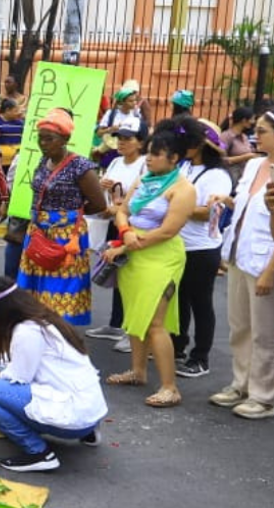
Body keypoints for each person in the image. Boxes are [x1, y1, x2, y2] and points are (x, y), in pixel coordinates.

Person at [0, 277, 108, 473]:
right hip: (90, 413)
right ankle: (88, 433)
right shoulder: (44, 319)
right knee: (1, 413)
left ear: (4, 309)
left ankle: (39, 453)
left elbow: (16, 377)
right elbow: (12, 361)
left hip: (73, 416)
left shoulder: (26, 331)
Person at [103, 128, 196, 408]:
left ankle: (170, 387)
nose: (150, 158)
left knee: (155, 322)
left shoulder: (184, 189)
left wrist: (125, 245)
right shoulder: (145, 179)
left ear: (174, 158)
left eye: (157, 154)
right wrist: (125, 232)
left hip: (161, 256)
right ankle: (138, 371)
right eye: (149, 152)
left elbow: (167, 231)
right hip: (134, 251)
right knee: (135, 314)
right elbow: (122, 210)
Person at [15, 108, 107, 325]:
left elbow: (99, 204)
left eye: (49, 139)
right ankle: (38, 331)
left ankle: (59, 334)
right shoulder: (43, 161)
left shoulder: (80, 167)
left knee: (60, 288)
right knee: (36, 286)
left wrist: (68, 217)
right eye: (40, 138)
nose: (43, 143)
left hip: (66, 237)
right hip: (39, 233)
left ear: (65, 139)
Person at [211, 110, 274, 419]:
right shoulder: (253, 165)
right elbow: (246, 204)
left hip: (264, 261)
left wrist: (269, 272)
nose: (255, 136)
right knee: (240, 326)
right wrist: (227, 200)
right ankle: (242, 383)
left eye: (262, 131)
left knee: (265, 332)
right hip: (240, 253)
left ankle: (264, 395)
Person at [171, 119, 232, 379]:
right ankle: (177, 347)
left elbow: (210, 213)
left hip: (202, 249)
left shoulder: (217, 175)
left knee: (201, 303)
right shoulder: (183, 166)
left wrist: (176, 206)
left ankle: (200, 358)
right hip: (178, 244)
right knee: (179, 299)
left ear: (200, 145)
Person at [85, 126, 148, 352]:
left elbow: (140, 196)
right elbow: (108, 191)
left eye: (128, 139)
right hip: (114, 223)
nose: (121, 142)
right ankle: (116, 323)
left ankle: (131, 330)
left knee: (131, 278)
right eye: (119, 138)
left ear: (140, 142)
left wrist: (118, 207)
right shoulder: (115, 162)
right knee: (117, 274)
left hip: (131, 226)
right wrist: (103, 186)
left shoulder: (145, 165)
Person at [221, 106, 260, 185]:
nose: (253, 122)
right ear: (244, 120)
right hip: (231, 179)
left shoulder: (244, 137)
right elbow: (221, 160)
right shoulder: (226, 136)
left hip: (244, 178)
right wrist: (245, 157)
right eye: (252, 119)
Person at [0, 98, 25, 169]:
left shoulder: (20, 123)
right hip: (0, 162)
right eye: (15, 111)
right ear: (7, 110)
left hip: (16, 162)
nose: (18, 113)